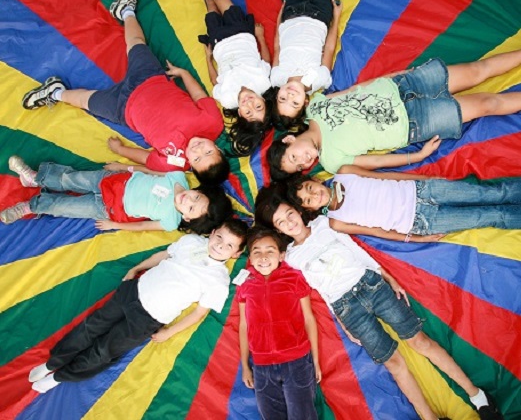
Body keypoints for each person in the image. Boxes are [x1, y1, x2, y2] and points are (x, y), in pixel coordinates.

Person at [254, 191, 503, 420]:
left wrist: (387, 277)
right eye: (281, 222)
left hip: (371, 286)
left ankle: (477, 396)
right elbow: (322, 289)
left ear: (298, 210)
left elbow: (356, 251)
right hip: (347, 308)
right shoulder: (293, 258)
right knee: (393, 363)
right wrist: (344, 323)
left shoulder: (324, 224)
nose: (289, 222)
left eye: (290, 214)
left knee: (420, 342)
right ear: (278, 230)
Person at [21, 0, 229, 184]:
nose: (199, 150)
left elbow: (145, 158)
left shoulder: (173, 164)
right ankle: (125, 10)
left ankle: (55, 92)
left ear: (191, 165)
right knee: (137, 44)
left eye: (197, 158)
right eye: (208, 151)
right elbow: (199, 95)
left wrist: (121, 151)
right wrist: (183, 73)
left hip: (123, 109)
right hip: (150, 79)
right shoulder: (213, 123)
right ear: (217, 148)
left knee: (86, 101)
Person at [27, 219, 248, 393]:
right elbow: (164, 255)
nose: (220, 245)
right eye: (219, 236)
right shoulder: (192, 242)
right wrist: (137, 268)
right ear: (213, 232)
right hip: (134, 291)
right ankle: (53, 363)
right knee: (91, 326)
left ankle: (59, 376)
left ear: (236, 254)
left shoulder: (219, 280)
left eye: (229, 245)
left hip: (149, 319)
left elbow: (200, 313)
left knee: (105, 350)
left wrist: (169, 332)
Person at [268, 50, 521, 179]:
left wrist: (396, 76)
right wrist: (418, 155)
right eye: (300, 166)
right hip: (416, 121)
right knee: (487, 104)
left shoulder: (313, 107)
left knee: (478, 70)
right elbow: (377, 163)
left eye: (295, 156)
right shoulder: (332, 161)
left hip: (405, 85)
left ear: (290, 140)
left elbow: (354, 90)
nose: (305, 161)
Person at [0, 155, 232, 234]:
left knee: (66, 207)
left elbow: (142, 227)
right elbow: (149, 170)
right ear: (199, 190)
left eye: (191, 209)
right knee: (69, 179)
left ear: (188, 219)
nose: (188, 201)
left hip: (109, 210)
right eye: (196, 197)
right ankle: (34, 178)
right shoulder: (178, 177)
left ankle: (32, 207)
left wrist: (115, 226)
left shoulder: (171, 221)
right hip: (111, 181)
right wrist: (123, 167)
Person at [286, 165, 521, 242]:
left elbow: (386, 176)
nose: (314, 195)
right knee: (488, 216)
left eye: (310, 189)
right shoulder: (337, 222)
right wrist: (417, 238)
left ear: (314, 180)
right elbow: (377, 231)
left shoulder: (344, 172)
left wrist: (426, 180)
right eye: (309, 201)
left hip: (422, 191)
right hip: (420, 222)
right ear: (311, 210)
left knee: (488, 193)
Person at [236, 227, 320, 419]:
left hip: (297, 361)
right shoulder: (245, 284)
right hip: (261, 365)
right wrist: (245, 365)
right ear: (250, 257)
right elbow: (244, 325)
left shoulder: (294, 278)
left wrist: (315, 360)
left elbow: (309, 318)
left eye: (270, 251)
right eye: (257, 252)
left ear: (281, 255)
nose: (263, 257)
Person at [200, 0, 273, 156]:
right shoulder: (263, 83)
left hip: (219, 43)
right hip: (241, 33)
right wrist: (260, 37)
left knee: (210, 2)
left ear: (240, 112)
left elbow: (214, 80)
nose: (249, 103)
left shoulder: (227, 99)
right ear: (263, 101)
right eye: (258, 106)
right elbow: (266, 60)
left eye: (248, 111)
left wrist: (208, 58)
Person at [270, 0, 343, 128]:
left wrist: (280, 17)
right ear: (305, 102)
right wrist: (336, 18)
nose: (290, 96)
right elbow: (329, 49)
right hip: (319, 14)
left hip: (291, 12)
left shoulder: (277, 78)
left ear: (277, 95)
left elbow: (277, 47)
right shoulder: (319, 79)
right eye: (295, 103)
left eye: (282, 98)